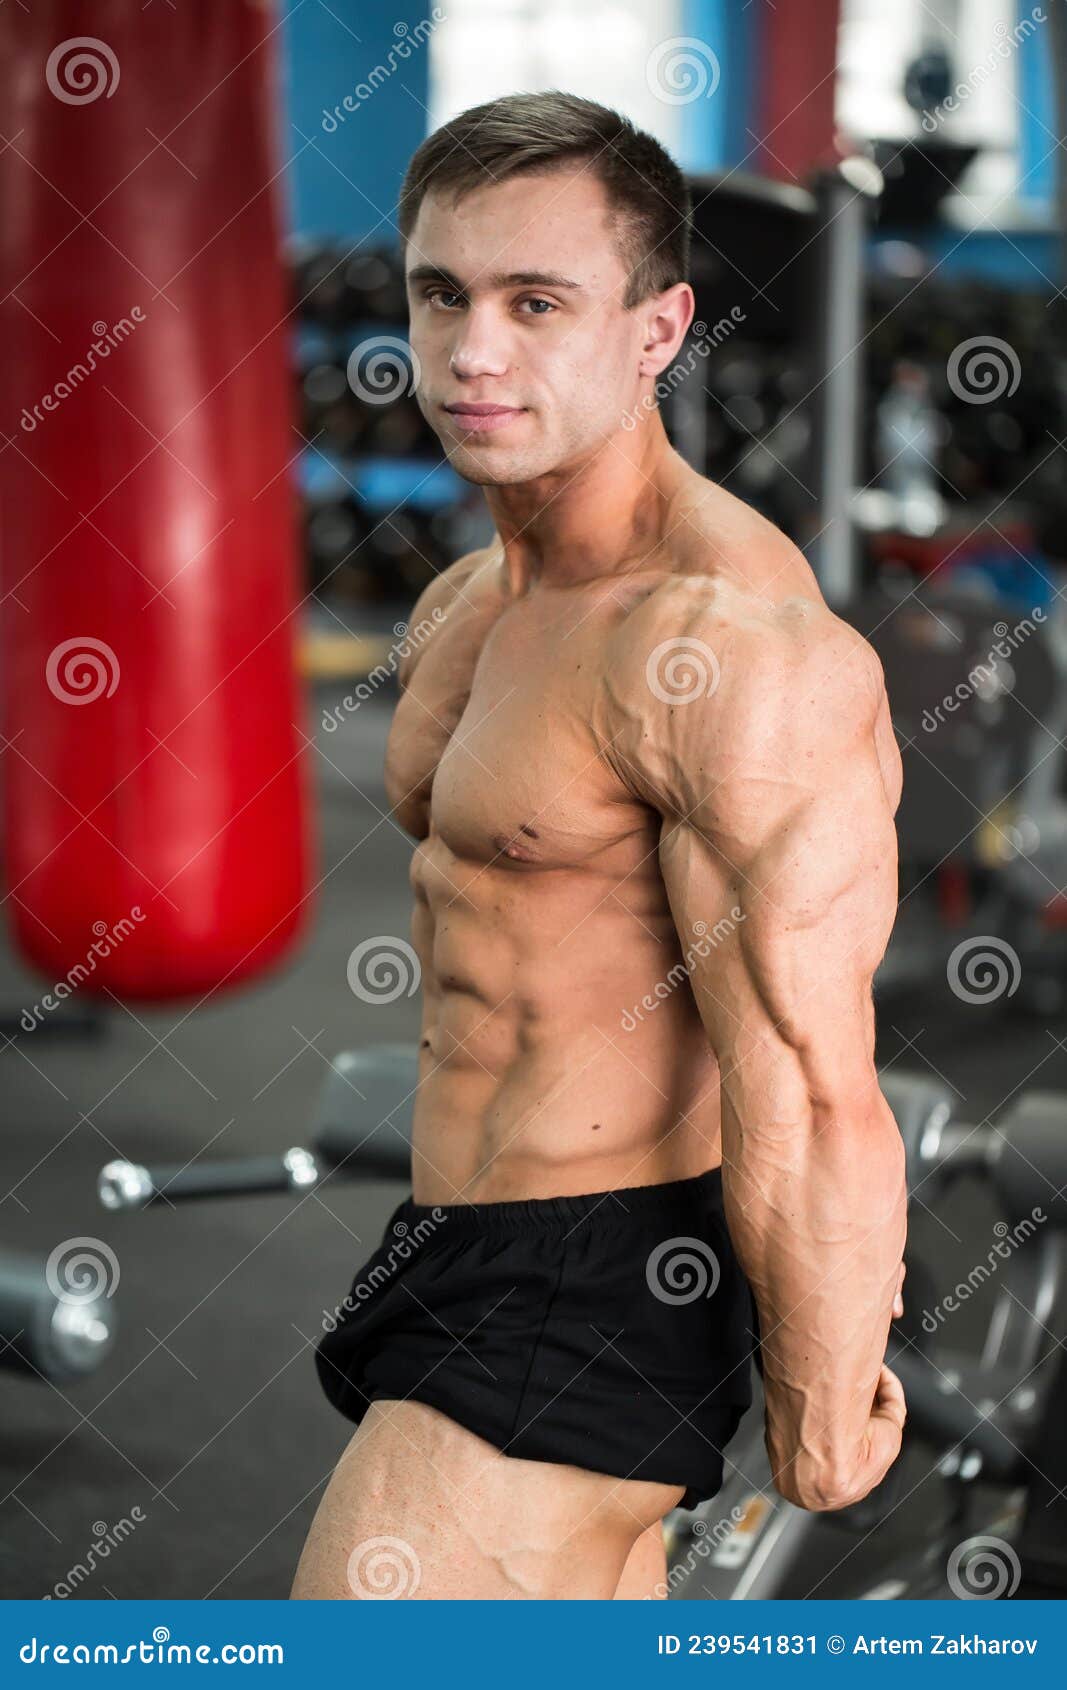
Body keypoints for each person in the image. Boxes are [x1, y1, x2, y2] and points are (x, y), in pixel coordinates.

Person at [291, 90, 907, 1602]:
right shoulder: (464, 607)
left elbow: (818, 1085)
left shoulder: (728, 649)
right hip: (457, 1236)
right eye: (443, 295)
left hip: (598, 1281)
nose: (473, 351)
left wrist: (822, 1418)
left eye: (537, 302)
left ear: (657, 327)